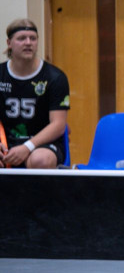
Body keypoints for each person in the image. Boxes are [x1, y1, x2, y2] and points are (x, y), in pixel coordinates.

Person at [0, 19, 70, 169]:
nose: (28, 43)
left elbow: (58, 124)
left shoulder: (55, 77)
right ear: (9, 43)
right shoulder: (1, 74)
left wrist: (27, 147)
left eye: (33, 38)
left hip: (42, 144)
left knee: (41, 160)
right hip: (6, 142)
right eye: (21, 38)